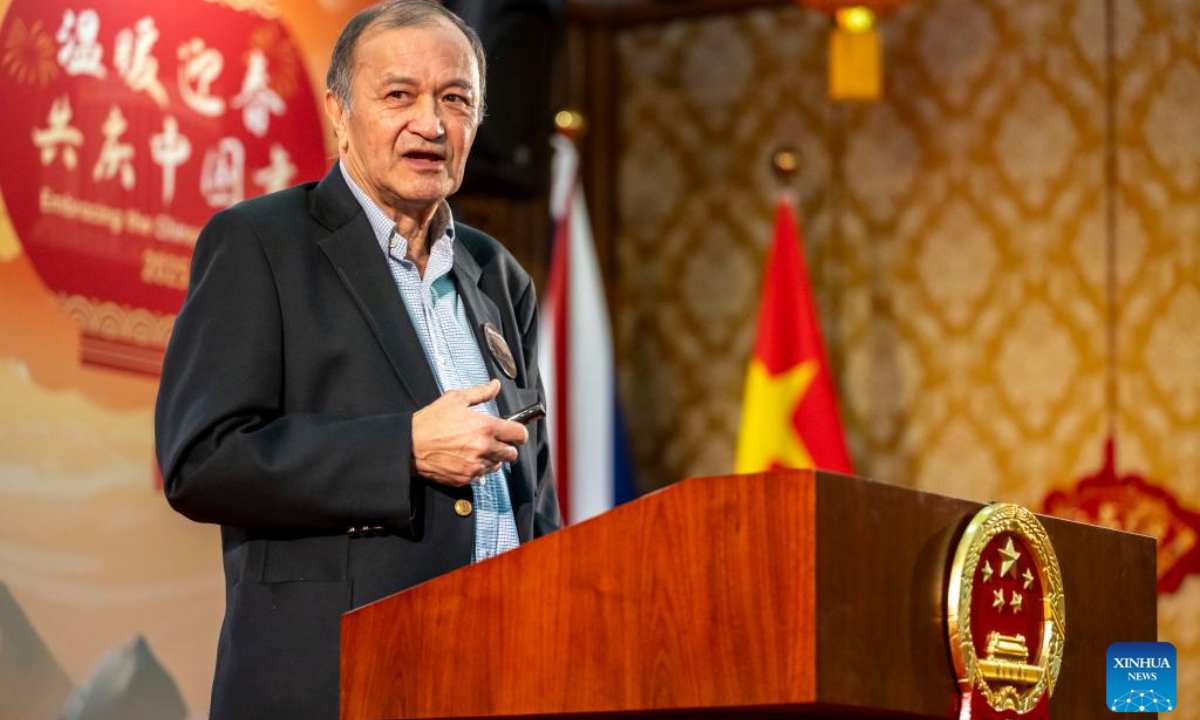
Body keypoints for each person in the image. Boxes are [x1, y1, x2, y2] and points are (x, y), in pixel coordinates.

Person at [154, 2, 560, 718]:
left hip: (503, 678)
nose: (431, 124)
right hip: (336, 684)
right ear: (340, 113)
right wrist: (401, 448)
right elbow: (201, 459)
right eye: (399, 95)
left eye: (455, 100)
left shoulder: (499, 275)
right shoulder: (261, 245)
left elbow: (537, 502)